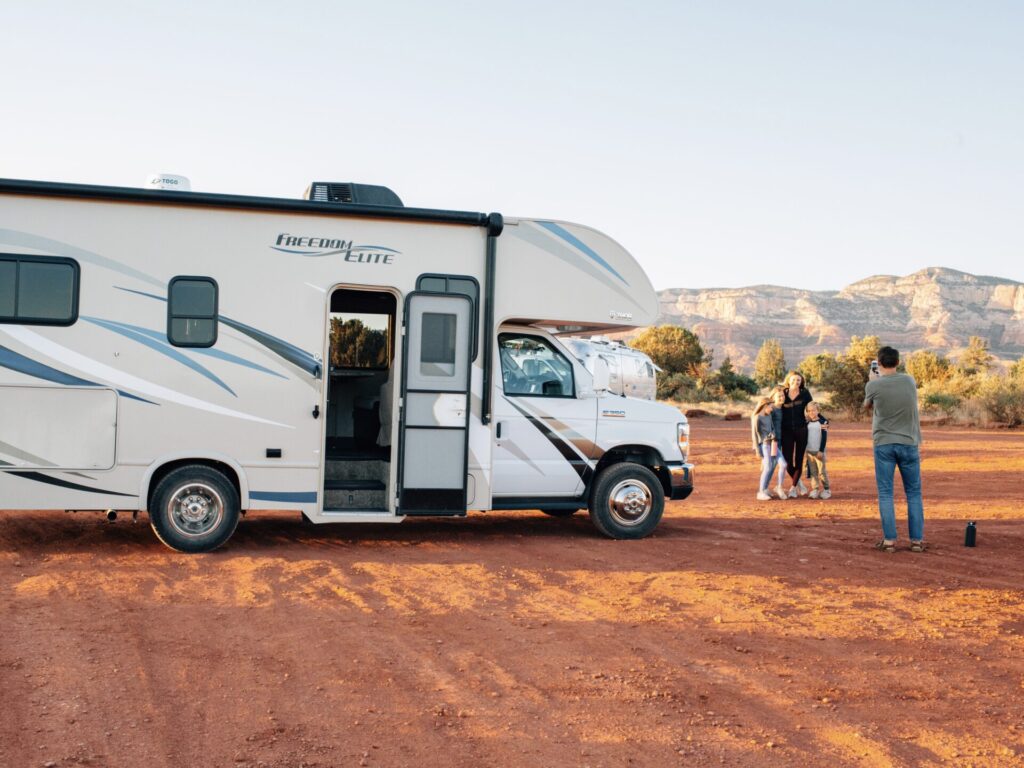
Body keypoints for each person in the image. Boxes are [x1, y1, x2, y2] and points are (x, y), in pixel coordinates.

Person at [864, 346, 924, 553]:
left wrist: (873, 381)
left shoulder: (873, 385)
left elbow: (867, 407)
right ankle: (916, 541)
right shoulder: (909, 381)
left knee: (886, 493)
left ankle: (889, 541)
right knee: (914, 493)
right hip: (909, 441)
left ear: (879, 363)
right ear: (898, 362)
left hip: (884, 443)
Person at [780, 371, 813, 497]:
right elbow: (775, 406)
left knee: (799, 460)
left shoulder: (805, 393)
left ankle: (793, 488)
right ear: (788, 380)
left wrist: (814, 418)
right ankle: (799, 482)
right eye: (793, 380)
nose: (796, 382)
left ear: (801, 382)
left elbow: (812, 408)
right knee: (787, 462)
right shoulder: (783, 393)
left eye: (798, 380)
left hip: (801, 430)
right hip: (786, 431)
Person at [750, 396, 779, 501]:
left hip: (772, 443)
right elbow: (754, 435)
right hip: (764, 445)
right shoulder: (757, 417)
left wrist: (773, 436)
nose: (772, 409)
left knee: (771, 465)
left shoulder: (769, 415)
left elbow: (772, 428)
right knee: (767, 467)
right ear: (765, 406)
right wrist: (758, 451)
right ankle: (761, 492)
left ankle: (765, 489)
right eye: (771, 407)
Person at [804, 401, 831, 499]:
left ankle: (827, 489)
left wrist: (821, 450)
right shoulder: (807, 422)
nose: (811, 412)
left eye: (814, 410)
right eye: (809, 411)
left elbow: (824, 438)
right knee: (813, 472)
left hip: (819, 452)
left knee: (822, 472)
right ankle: (815, 489)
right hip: (809, 451)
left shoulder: (823, 422)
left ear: (818, 411)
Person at [770, 387, 789, 499]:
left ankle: (778, 487)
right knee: (772, 465)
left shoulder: (784, 408)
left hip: (783, 440)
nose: (782, 398)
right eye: (779, 396)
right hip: (773, 442)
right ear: (773, 397)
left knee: (778, 464)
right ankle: (768, 488)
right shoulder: (771, 410)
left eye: (783, 396)